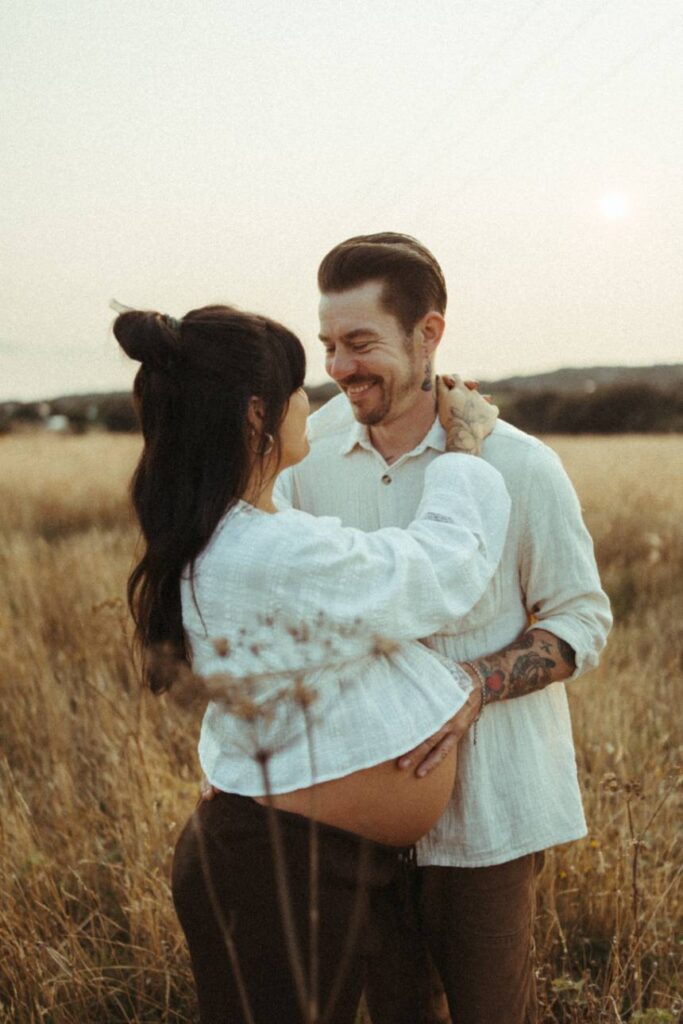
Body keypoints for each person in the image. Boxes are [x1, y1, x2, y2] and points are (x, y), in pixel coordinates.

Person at [111, 301, 513, 1024]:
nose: (314, 399)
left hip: (292, 865)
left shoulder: (247, 530)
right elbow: (431, 570)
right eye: (300, 385)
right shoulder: (262, 550)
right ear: (257, 412)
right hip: (278, 879)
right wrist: (463, 455)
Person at [275, 233, 613, 1024]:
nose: (338, 368)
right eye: (327, 345)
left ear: (428, 335)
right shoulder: (307, 459)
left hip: (486, 819)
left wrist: (471, 684)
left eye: (360, 344)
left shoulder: (517, 466)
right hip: (358, 809)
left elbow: (581, 616)